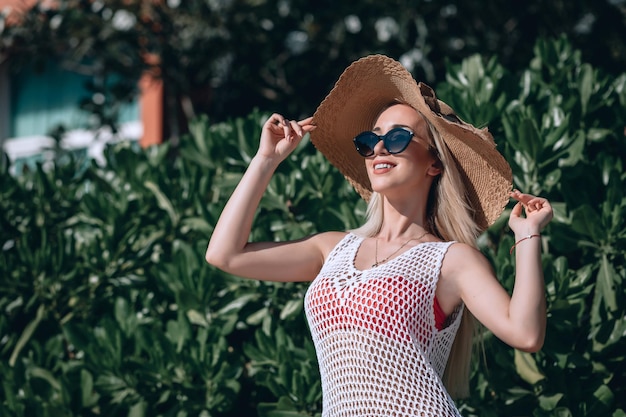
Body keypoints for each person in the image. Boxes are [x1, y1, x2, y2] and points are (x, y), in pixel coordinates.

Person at [205, 54, 553, 417]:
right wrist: (265, 161)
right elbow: (225, 255)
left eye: (399, 137)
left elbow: (526, 335)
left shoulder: (450, 260)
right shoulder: (332, 249)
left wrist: (528, 236)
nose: (380, 148)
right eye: (370, 140)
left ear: (435, 163)